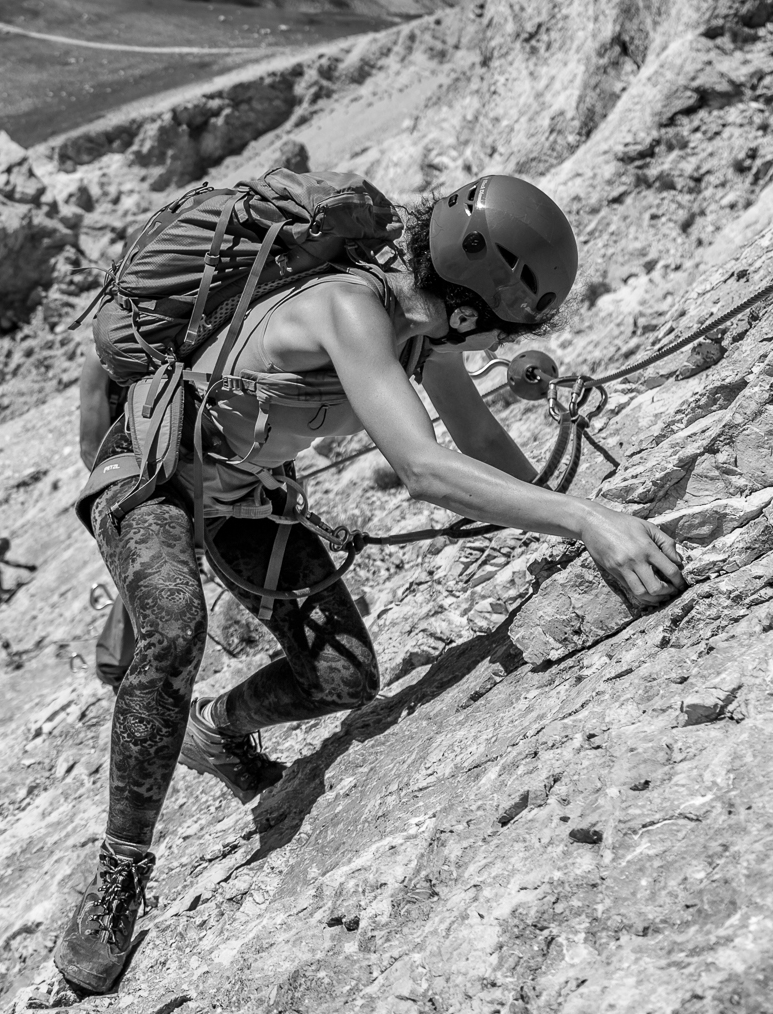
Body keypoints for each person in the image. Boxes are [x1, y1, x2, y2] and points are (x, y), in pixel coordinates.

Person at [50, 175, 686, 993]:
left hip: (242, 496)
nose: (493, 348)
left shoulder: (424, 334)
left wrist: (577, 514)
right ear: (467, 307)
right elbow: (423, 469)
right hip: (151, 475)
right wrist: (587, 523)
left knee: (345, 676)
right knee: (175, 630)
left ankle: (215, 728)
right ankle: (119, 877)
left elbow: (477, 438)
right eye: (500, 329)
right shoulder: (355, 308)